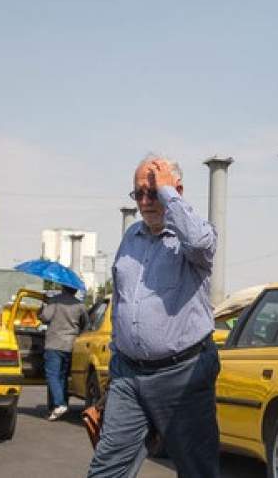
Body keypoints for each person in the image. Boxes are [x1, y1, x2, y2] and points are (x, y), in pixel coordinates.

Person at [87, 155, 219, 478]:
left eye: (153, 192)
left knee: (197, 470)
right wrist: (117, 365)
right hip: (129, 377)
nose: (145, 202)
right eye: (139, 194)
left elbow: (200, 242)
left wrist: (167, 192)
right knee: (106, 469)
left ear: (176, 191)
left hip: (183, 375)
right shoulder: (130, 238)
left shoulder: (191, 239)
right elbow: (122, 302)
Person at [39, 284, 88, 421]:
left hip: (54, 343)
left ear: (63, 287)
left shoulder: (55, 300)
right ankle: (61, 405)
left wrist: (43, 308)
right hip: (71, 344)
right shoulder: (80, 305)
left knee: (52, 375)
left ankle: (59, 404)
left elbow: (45, 317)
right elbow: (86, 323)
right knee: (62, 376)